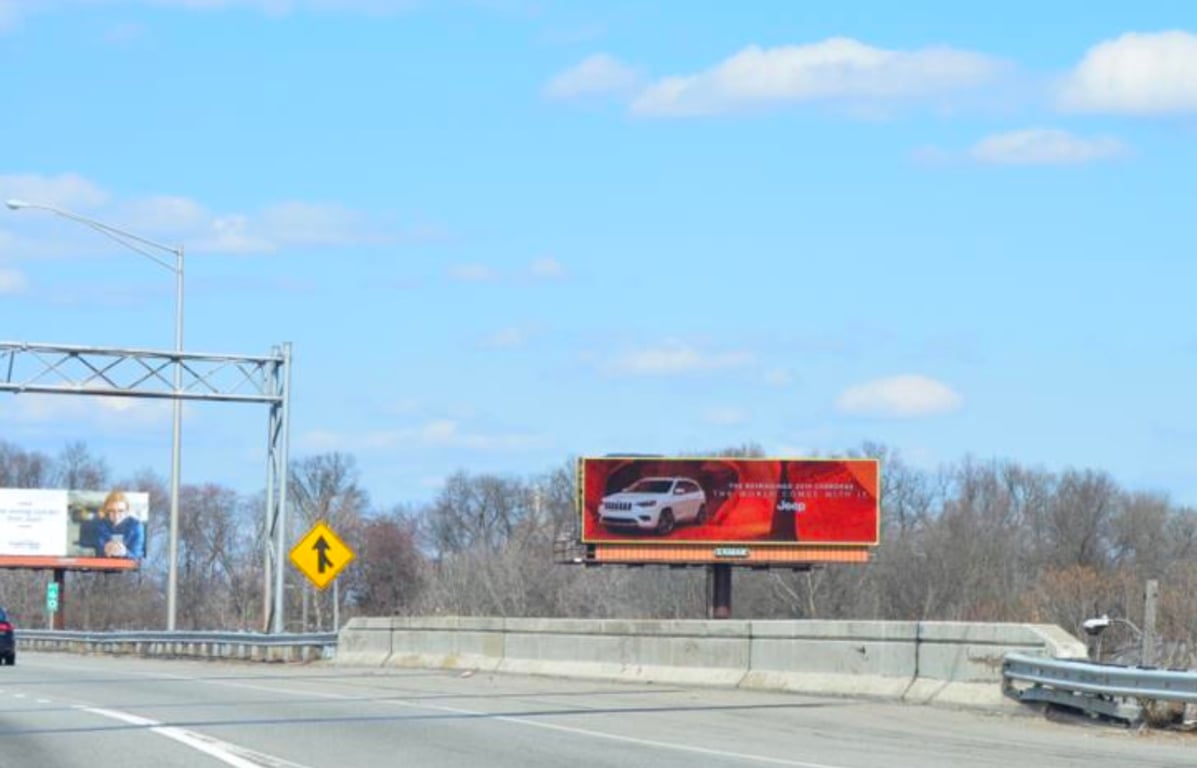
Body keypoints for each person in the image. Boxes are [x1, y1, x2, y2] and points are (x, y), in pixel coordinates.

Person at [95, 490, 145, 559]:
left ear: (127, 511)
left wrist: (125, 553)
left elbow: (137, 556)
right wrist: (104, 550)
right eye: (112, 511)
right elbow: (96, 552)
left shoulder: (136, 526)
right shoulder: (100, 525)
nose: (116, 516)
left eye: (121, 511)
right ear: (106, 511)